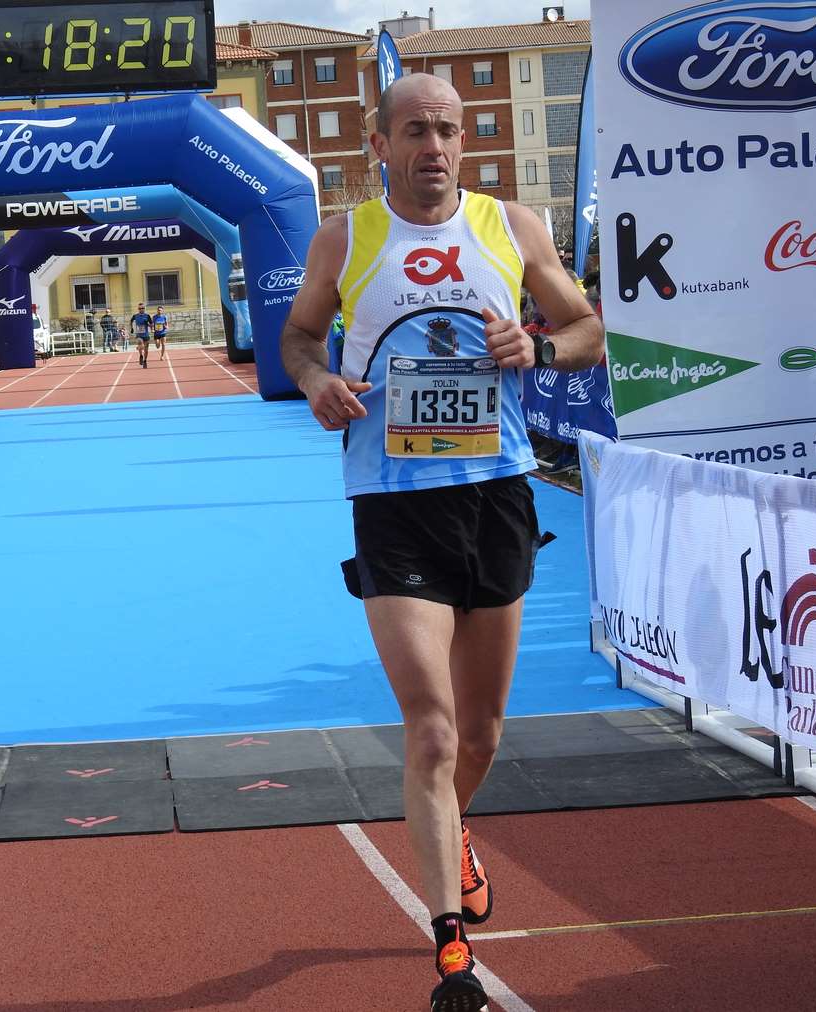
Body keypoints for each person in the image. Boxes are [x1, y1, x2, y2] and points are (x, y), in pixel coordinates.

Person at [279, 73, 604, 1012]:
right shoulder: (346, 237)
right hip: (392, 496)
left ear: (466, 143)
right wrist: (314, 383)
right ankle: (451, 950)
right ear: (378, 145)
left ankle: (453, 826)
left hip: (498, 491)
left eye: (449, 131)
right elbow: (299, 339)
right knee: (431, 726)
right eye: (415, 131)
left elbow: (589, 329)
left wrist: (538, 348)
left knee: (483, 730)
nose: (435, 147)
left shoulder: (513, 228)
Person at [129, 302, 153, 367]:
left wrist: (147, 324)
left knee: (146, 350)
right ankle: (140, 355)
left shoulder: (147, 316)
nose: (141, 309)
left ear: (144, 308)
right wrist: (131, 328)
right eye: (140, 308)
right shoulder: (135, 316)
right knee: (140, 343)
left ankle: (145, 361)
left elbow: (151, 325)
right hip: (139, 334)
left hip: (146, 335)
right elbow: (131, 321)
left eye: (142, 308)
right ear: (138, 309)